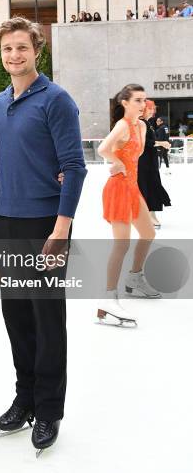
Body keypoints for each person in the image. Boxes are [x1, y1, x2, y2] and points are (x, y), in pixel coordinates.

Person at [0, 17, 87, 454]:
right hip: (5, 221)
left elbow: (76, 166)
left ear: (37, 51)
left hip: (46, 225)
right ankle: (24, 397)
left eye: (22, 48)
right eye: (7, 49)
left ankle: (48, 409)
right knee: (16, 318)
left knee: (48, 321)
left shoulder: (57, 100)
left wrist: (62, 229)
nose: (14, 55)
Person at [98, 85, 159, 329]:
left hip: (132, 188)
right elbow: (104, 149)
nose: (142, 104)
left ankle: (134, 279)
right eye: (137, 100)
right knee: (121, 244)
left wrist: (122, 164)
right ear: (125, 102)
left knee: (148, 233)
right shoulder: (122, 125)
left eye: (144, 100)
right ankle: (108, 298)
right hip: (118, 189)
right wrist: (117, 163)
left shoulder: (142, 126)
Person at [138, 100, 171, 228]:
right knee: (147, 186)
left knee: (152, 186)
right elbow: (144, 142)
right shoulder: (141, 123)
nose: (153, 111)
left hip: (150, 161)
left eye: (153, 109)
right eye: (150, 108)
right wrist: (162, 143)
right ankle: (148, 216)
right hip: (143, 162)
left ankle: (151, 214)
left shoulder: (148, 123)